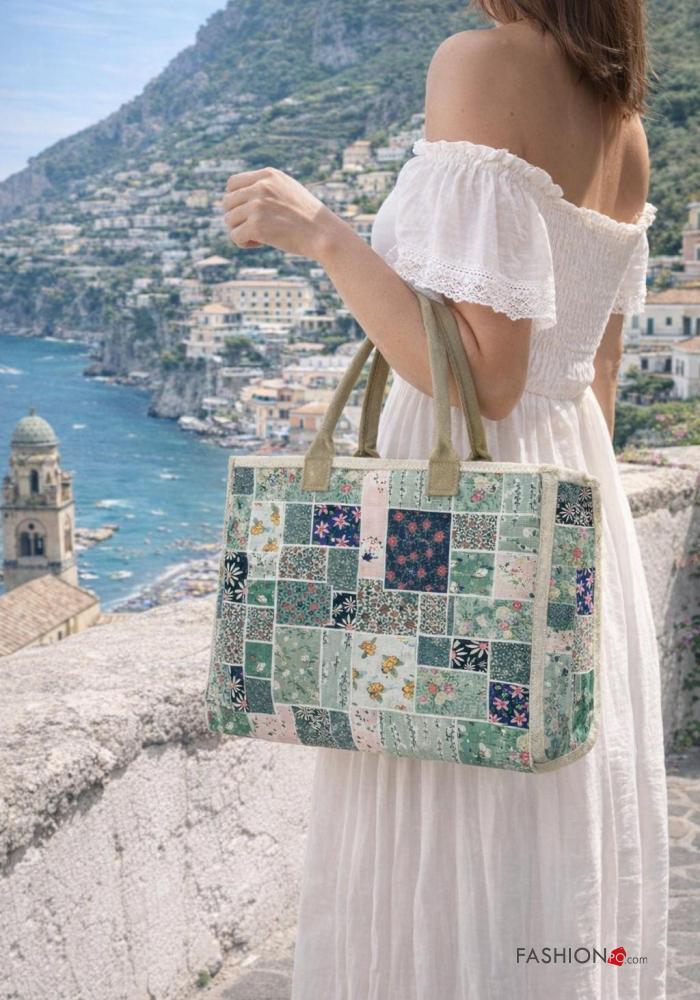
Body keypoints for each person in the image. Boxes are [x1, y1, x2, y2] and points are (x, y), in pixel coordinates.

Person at [222, 2, 669, 996]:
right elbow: (595, 371)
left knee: (435, 816)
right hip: (566, 492)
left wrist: (325, 235)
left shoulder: (479, 64)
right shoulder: (624, 126)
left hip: (454, 507)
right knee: (537, 819)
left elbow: (483, 378)